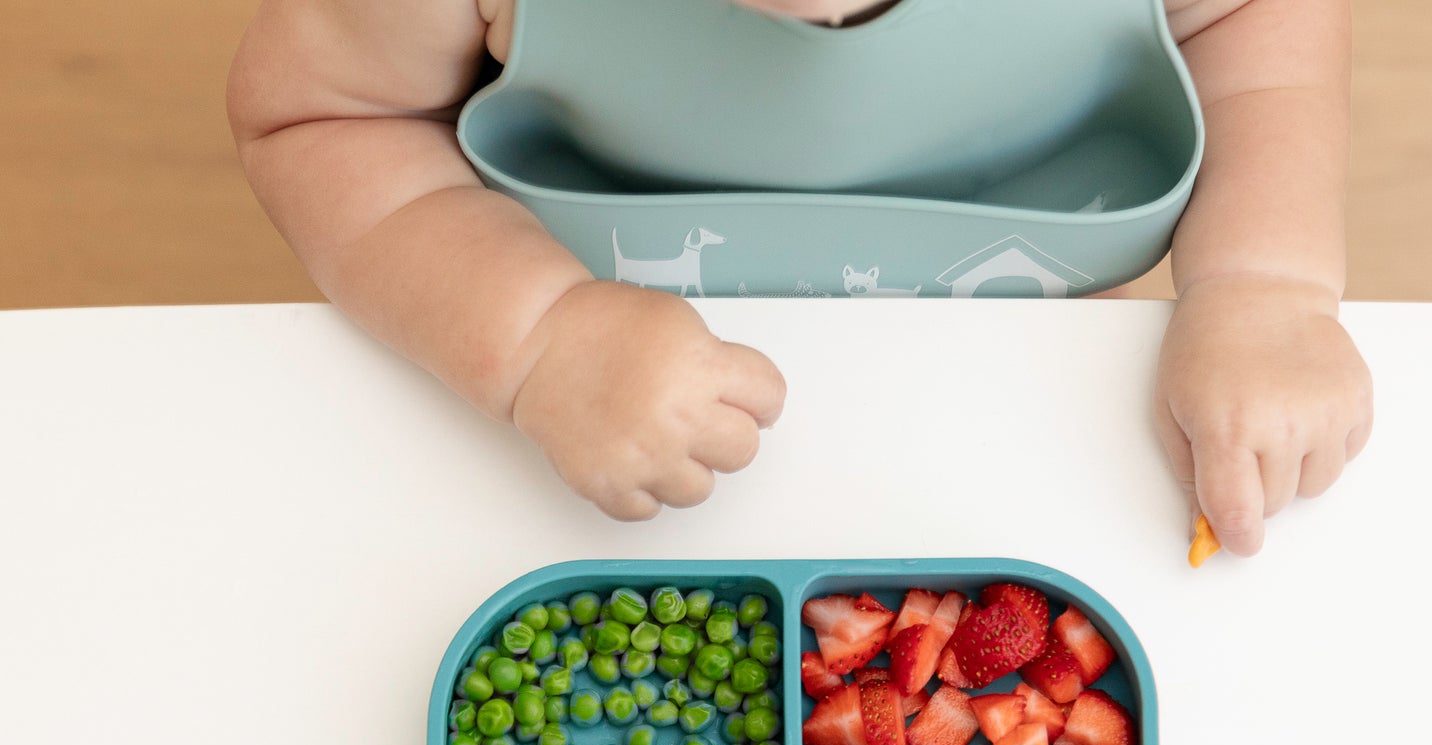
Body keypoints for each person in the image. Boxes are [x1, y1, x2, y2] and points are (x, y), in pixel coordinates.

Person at [228, 0, 1373, 554]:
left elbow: (1262, 32)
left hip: (1027, 371)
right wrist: (533, 334)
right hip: (582, 385)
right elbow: (323, 119)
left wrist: (1261, 285)